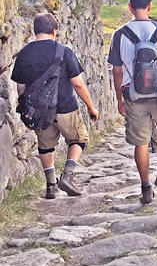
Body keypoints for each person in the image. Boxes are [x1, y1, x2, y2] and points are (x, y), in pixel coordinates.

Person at [11, 13, 99, 199]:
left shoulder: (24, 53)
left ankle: (51, 186)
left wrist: (27, 108)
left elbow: (20, 86)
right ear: (54, 30)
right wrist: (91, 107)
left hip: (40, 112)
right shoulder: (63, 51)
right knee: (79, 140)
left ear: (34, 31)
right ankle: (67, 175)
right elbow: (78, 83)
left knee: (46, 147)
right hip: (66, 107)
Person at [108, 0, 157, 204]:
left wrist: (120, 98)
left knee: (141, 143)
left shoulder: (120, 34)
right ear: (149, 5)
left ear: (130, 7)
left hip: (133, 96)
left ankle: (146, 188)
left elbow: (117, 70)